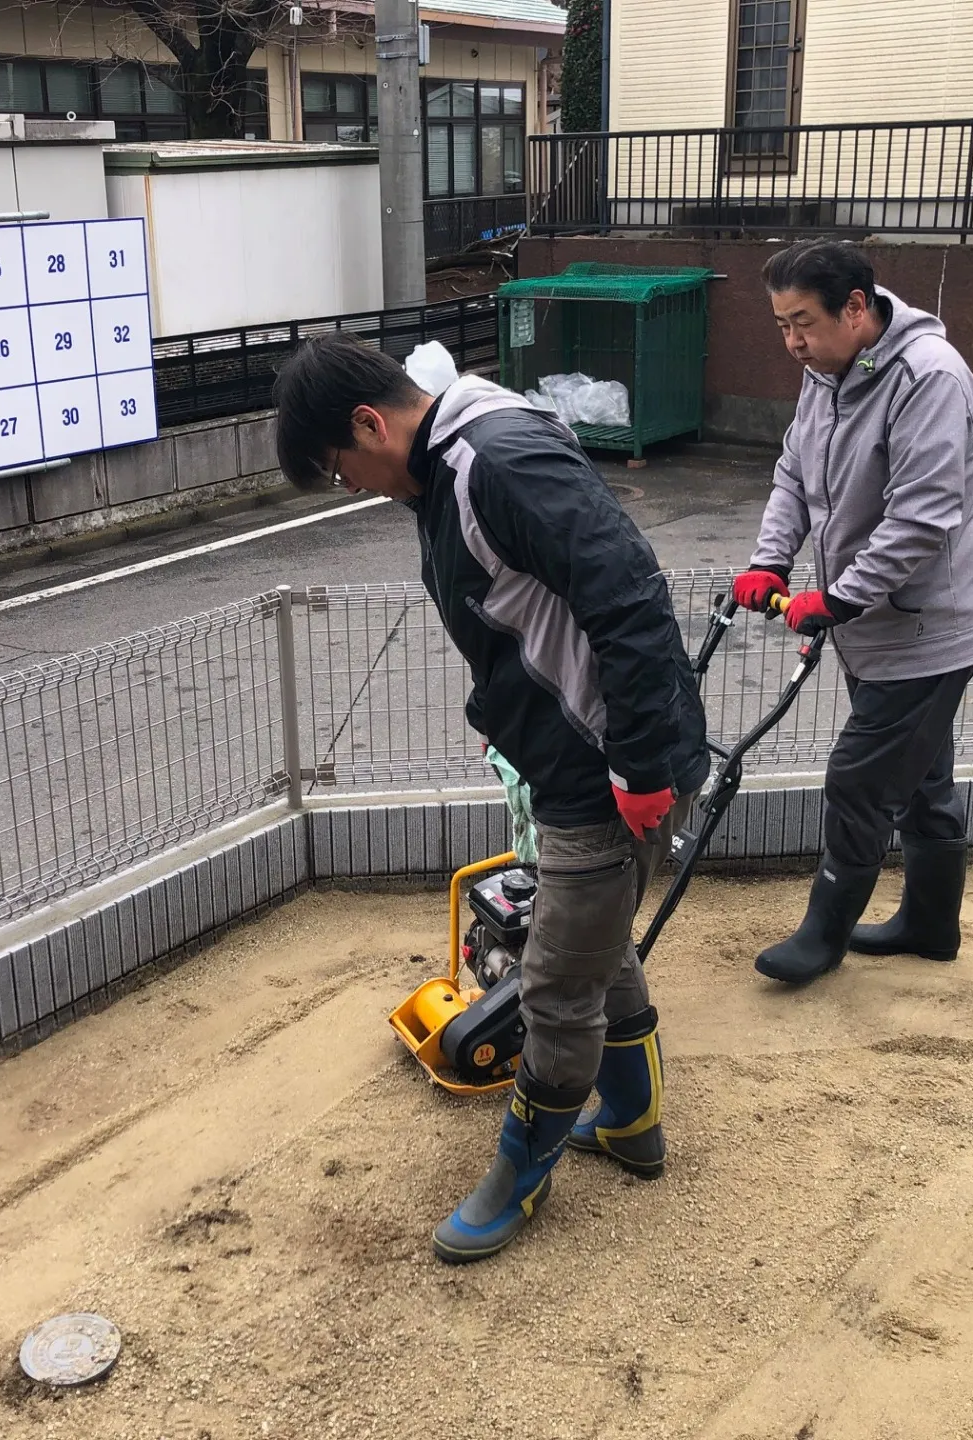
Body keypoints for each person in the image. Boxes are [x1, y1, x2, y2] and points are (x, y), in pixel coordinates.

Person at [273, 334, 710, 1263]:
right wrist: (505, 712)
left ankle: (520, 1170)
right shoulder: (442, 466)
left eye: (342, 469)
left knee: (553, 986)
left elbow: (629, 597)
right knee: (587, 941)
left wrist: (638, 766)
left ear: (368, 423)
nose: (351, 487)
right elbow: (515, 619)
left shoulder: (493, 460)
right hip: (567, 752)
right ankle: (632, 1120)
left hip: (605, 765)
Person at [731, 239, 973, 985]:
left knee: (859, 778)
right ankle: (930, 924)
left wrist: (840, 597)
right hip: (873, 626)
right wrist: (768, 560)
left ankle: (824, 932)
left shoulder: (928, 380)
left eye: (803, 323)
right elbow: (794, 472)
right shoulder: (829, 374)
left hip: (927, 627)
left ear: (856, 308)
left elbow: (923, 516)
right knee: (918, 779)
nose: (792, 343)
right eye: (781, 325)